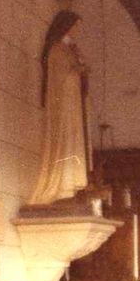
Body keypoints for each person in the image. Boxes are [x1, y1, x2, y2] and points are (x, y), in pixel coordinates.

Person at [29, 13, 90, 206]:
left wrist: (82, 69)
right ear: (66, 27)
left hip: (72, 105)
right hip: (63, 105)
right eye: (74, 26)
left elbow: (76, 73)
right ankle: (59, 188)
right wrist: (78, 71)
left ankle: (69, 187)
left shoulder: (70, 49)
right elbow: (60, 77)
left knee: (73, 142)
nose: (76, 31)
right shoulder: (57, 50)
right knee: (64, 141)